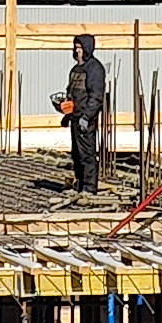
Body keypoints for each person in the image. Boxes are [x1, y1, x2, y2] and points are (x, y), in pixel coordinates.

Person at [55, 29, 107, 197]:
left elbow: (96, 96)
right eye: (75, 47)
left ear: (87, 49)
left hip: (86, 118)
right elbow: (71, 94)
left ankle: (89, 188)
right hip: (75, 117)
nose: (77, 50)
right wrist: (66, 113)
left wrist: (87, 116)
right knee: (76, 154)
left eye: (80, 47)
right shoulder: (75, 70)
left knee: (87, 153)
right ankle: (79, 184)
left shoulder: (94, 69)